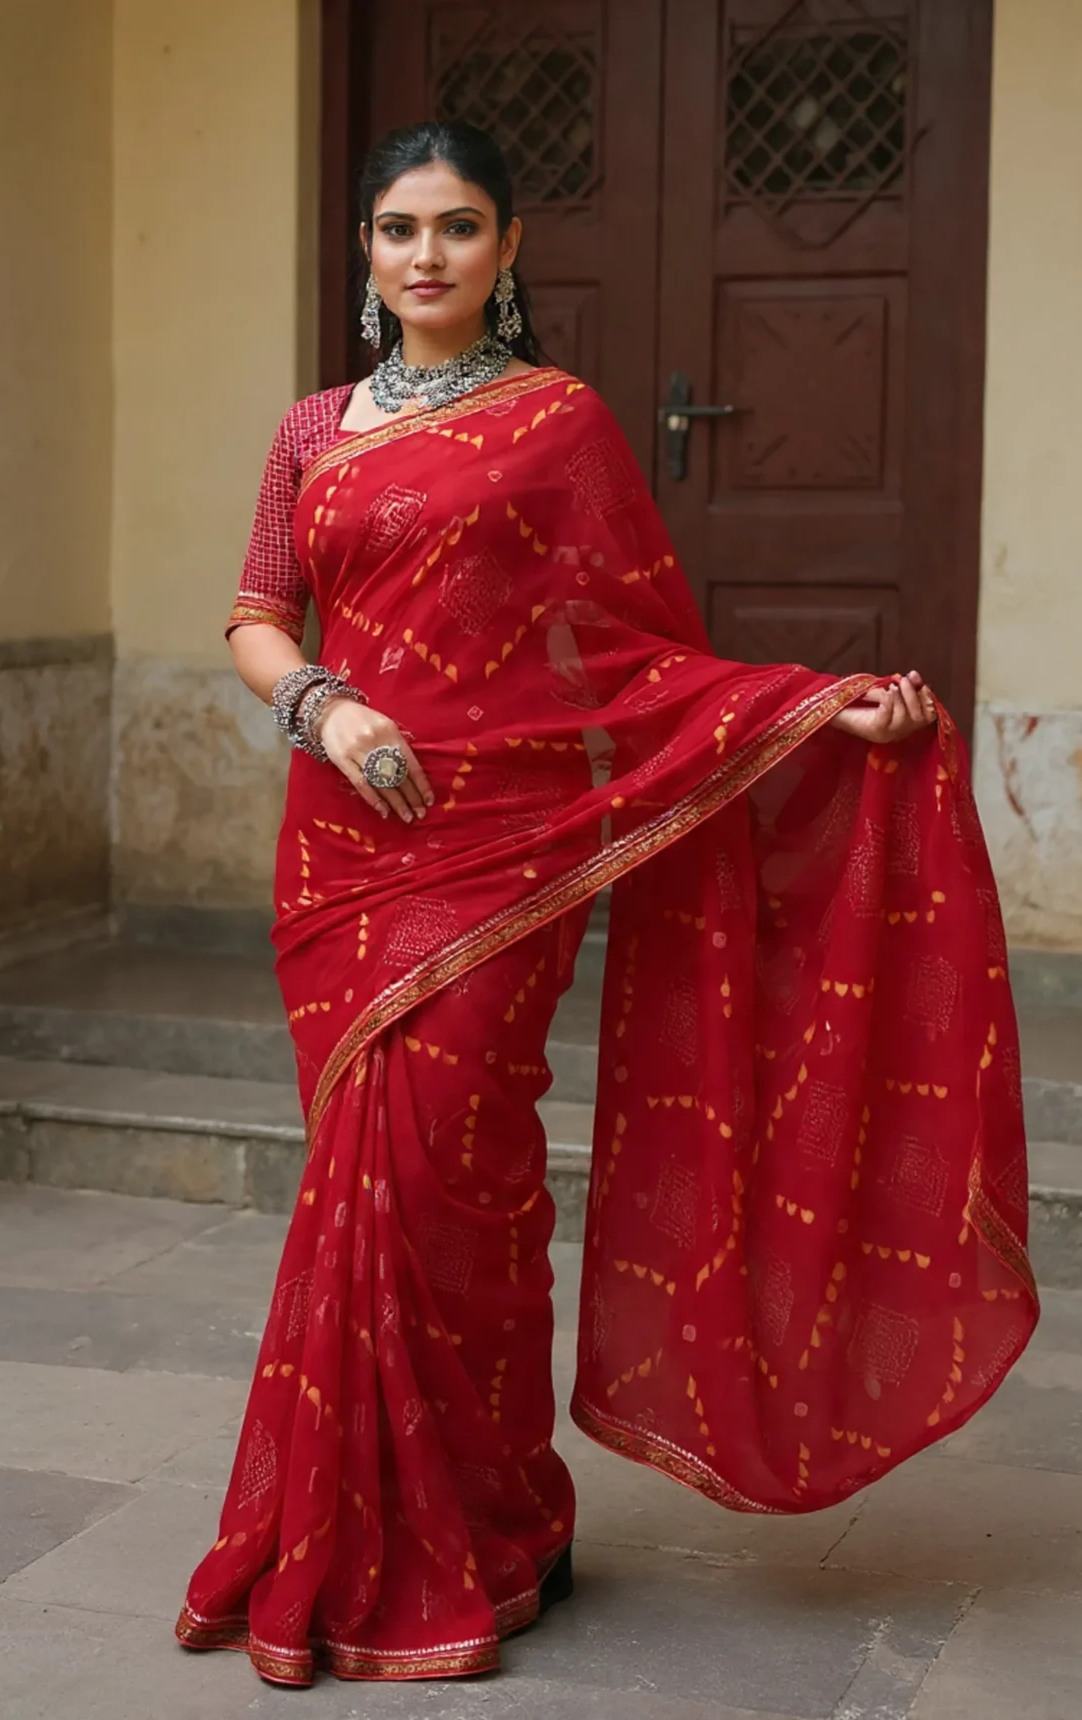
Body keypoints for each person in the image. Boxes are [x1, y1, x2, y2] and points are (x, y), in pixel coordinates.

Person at [176, 121, 1037, 1688]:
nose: (422, 254)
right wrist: (324, 707)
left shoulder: (559, 426)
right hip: (339, 849)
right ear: (365, 253)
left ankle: (495, 1525)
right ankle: (366, 1534)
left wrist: (811, 712)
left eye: (455, 227)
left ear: (509, 253)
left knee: (455, 1180)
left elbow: (642, 654)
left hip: (496, 852)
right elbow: (254, 610)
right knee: (362, 1186)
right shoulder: (312, 431)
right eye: (394, 228)